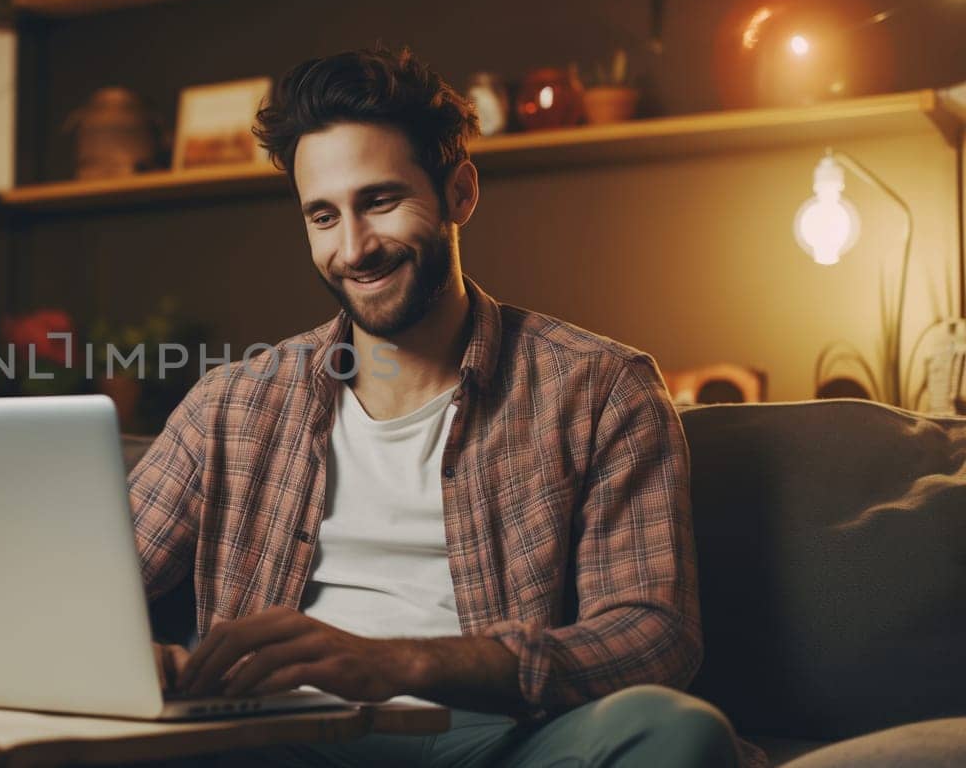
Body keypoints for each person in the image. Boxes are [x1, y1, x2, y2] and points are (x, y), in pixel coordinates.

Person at [127, 46, 757, 767]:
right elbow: (80, 583)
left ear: (460, 193)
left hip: (505, 741)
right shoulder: (233, 405)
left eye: (381, 202)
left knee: (674, 731)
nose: (354, 247)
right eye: (323, 217)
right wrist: (128, 657)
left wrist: (401, 664)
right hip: (285, 743)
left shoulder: (600, 388)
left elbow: (654, 636)